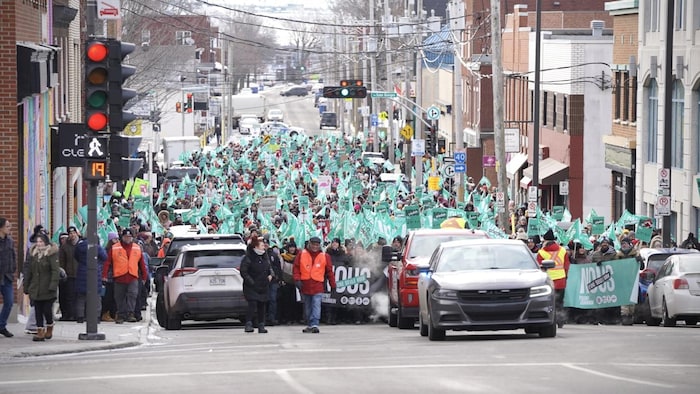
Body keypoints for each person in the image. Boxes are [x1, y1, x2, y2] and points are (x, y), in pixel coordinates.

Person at [102, 228, 148, 324]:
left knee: (132, 294)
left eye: (129, 237)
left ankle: (130, 314)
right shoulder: (114, 248)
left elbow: (142, 264)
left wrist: (144, 276)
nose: (128, 238)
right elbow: (107, 263)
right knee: (119, 297)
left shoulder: (136, 247)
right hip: (119, 276)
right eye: (126, 236)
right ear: (122, 237)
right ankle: (121, 315)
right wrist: (104, 275)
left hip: (132, 276)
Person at [293, 236, 336, 333]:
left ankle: (315, 324)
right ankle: (310, 324)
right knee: (308, 307)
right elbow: (296, 268)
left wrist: (333, 284)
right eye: (313, 244)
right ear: (309, 244)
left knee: (316, 305)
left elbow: (329, 272)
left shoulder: (325, 256)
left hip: (318, 285)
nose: (315, 247)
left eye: (317, 245)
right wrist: (297, 280)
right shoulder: (301, 254)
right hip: (305, 285)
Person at [23, 232, 60, 341]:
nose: (39, 244)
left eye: (41, 242)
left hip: (48, 288)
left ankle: (49, 327)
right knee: (37, 310)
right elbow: (29, 271)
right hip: (36, 288)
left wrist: (53, 285)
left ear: (46, 242)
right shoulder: (33, 254)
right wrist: (27, 286)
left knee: (47, 310)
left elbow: (55, 271)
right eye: (37, 242)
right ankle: (40, 332)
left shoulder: (51, 254)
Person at [536, 229, 570, 328]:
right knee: (560, 302)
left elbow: (539, 267)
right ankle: (560, 320)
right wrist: (565, 275)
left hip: (548, 281)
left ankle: (550, 320)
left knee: (549, 302)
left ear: (545, 241)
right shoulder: (562, 250)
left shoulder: (541, 252)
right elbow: (567, 265)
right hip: (561, 280)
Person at [239, 235, 273, 333]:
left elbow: (269, 268)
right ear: (256, 246)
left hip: (263, 285)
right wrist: (251, 282)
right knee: (252, 304)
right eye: (262, 245)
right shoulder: (249, 257)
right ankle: (249, 323)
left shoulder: (264, 256)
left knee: (262, 305)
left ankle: (261, 325)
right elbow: (243, 271)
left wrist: (270, 275)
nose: (264, 246)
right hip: (252, 287)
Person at [74, 237, 107, 324]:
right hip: (95, 273)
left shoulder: (80, 246)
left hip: (81, 272)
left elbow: (76, 256)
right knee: (96, 297)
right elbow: (104, 257)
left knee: (81, 297)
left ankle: (80, 317)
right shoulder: (97, 247)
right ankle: (96, 317)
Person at [590, 237, 619, 324]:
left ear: (609, 245)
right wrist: (596, 264)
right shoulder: (595, 255)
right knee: (598, 300)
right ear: (600, 245)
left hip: (610, 280)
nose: (604, 245)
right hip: (598, 280)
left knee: (608, 300)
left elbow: (617, 265)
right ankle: (598, 318)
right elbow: (590, 266)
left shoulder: (613, 255)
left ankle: (609, 319)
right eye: (603, 244)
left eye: (606, 244)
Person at [616, 237, 642, 325]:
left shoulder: (635, 254)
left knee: (632, 298)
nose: (623, 245)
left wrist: (640, 261)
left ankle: (631, 315)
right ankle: (624, 316)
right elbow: (614, 266)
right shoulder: (618, 255)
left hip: (632, 279)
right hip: (623, 279)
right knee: (624, 299)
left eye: (625, 243)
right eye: (622, 243)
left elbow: (641, 267)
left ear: (629, 244)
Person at [58, 225, 80, 321]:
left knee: (78, 296)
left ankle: (77, 314)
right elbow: (61, 261)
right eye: (70, 233)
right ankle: (70, 315)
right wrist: (63, 273)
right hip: (69, 275)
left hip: (79, 274)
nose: (72, 235)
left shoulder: (81, 244)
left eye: (73, 233)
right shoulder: (64, 247)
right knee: (69, 296)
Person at [0, 218, 17, 338]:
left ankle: (1, 325)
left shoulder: (10, 241)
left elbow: (13, 256)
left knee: (9, 302)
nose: (9, 228)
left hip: (7, 276)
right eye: (7, 226)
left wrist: (13, 270)